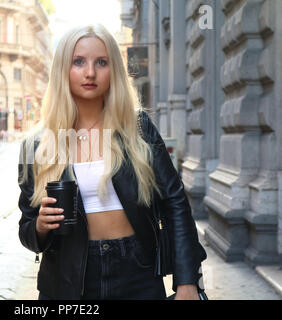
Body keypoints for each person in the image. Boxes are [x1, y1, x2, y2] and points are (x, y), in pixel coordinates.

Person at [17, 24, 206, 300]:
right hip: (67, 278)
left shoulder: (137, 127)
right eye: (78, 62)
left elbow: (175, 203)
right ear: (62, 70)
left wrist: (187, 280)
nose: (90, 72)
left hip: (137, 270)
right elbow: (27, 231)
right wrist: (40, 227)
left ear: (114, 69)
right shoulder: (36, 144)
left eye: (101, 62)